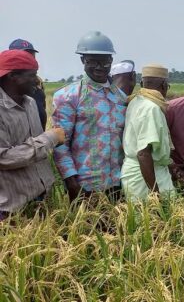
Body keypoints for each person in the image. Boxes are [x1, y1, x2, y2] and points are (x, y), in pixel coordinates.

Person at [53, 31, 127, 202]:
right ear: (82, 60)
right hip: (84, 185)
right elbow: (60, 143)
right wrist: (71, 183)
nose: (99, 67)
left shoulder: (120, 97)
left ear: (111, 61)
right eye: (92, 61)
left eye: (105, 62)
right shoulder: (68, 96)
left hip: (118, 183)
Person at [0, 50, 66, 220]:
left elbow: (33, 143)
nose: (37, 80)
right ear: (13, 76)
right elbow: (4, 158)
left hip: (41, 197)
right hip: (11, 207)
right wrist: (50, 139)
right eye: (32, 75)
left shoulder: (30, 102)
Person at [121, 64, 175, 202]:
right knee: (158, 219)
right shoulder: (151, 108)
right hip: (146, 177)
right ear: (164, 85)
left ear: (141, 84)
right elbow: (143, 154)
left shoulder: (135, 101)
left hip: (138, 174)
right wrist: (155, 194)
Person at [9, 39, 46, 128]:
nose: (29, 60)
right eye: (25, 56)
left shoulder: (38, 85)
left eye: (31, 56)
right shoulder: (5, 89)